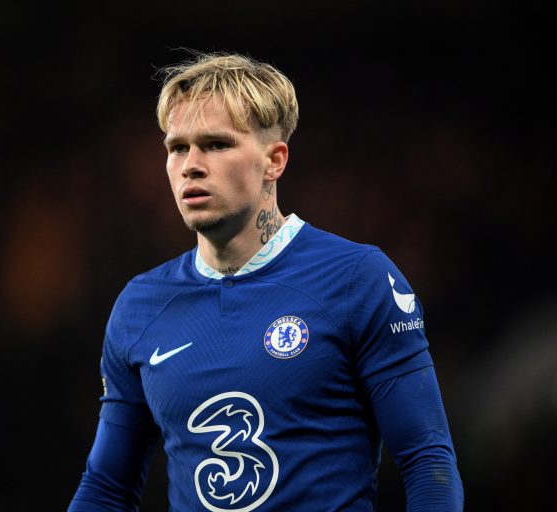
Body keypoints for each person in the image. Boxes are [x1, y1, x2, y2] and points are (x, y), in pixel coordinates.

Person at [68, 50, 463, 511]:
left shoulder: (357, 279)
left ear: (275, 160)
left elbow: (427, 461)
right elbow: (106, 488)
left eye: (216, 144)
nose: (191, 164)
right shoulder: (140, 306)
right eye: (177, 148)